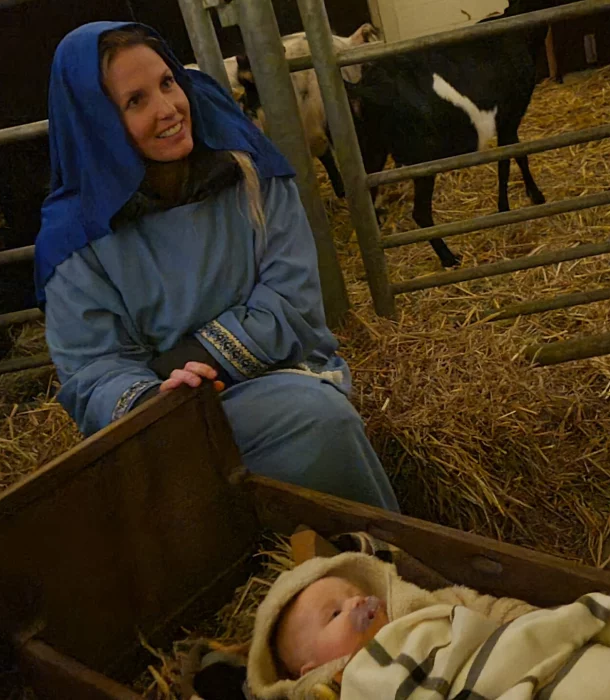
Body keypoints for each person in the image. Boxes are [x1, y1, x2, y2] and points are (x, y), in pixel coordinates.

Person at [35, 21, 398, 511]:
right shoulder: (75, 239)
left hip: (279, 375)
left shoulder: (248, 173)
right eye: (135, 101)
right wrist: (155, 395)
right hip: (162, 417)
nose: (168, 109)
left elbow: (290, 299)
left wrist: (192, 360)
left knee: (317, 420)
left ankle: (372, 547)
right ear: (96, 122)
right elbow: (91, 370)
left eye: (167, 82)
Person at [236, 551, 610, 700]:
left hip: (529, 668)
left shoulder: (430, 609)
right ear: (309, 667)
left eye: (354, 593)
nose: (356, 603)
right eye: (334, 614)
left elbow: (498, 612)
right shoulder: (344, 689)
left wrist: (538, 625)